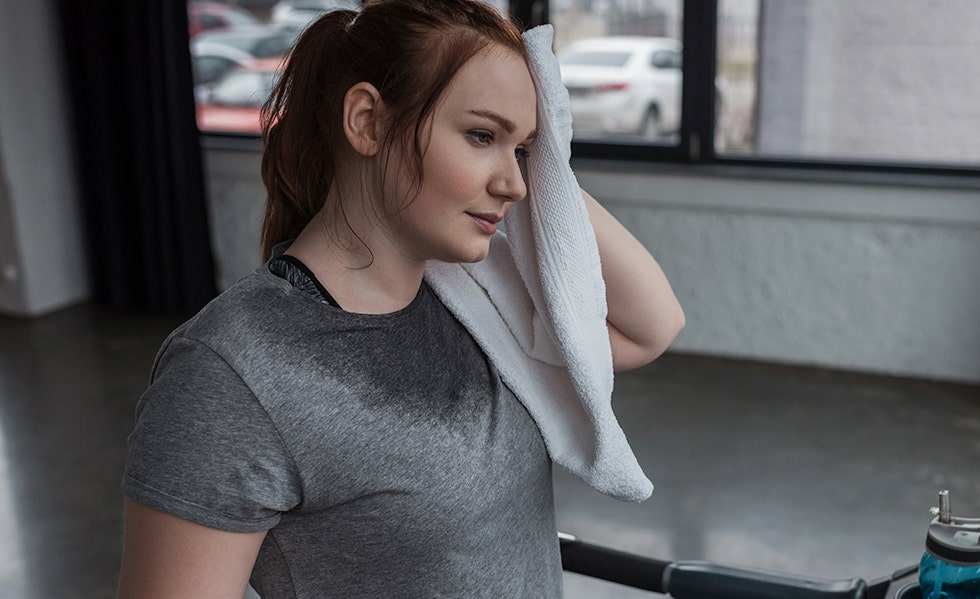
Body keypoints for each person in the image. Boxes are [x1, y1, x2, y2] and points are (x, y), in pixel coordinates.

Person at [117, 0, 684, 597]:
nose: (516, 184)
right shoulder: (231, 377)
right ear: (367, 122)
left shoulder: (477, 303)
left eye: (524, 151)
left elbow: (651, 326)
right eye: (481, 135)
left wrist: (549, 171)